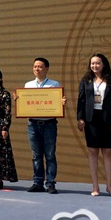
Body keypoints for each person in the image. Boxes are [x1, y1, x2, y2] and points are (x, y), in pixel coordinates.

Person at [76, 53, 111, 197]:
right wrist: (80, 118)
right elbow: (81, 100)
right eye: (92, 63)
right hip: (91, 119)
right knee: (92, 152)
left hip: (107, 119)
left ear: (104, 64)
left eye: (97, 63)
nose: (94, 66)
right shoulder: (86, 81)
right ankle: (95, 187)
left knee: (107, 152)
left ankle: (109, 186)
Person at [23, 57, 63, 194]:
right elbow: (24, 104)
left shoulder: (54, 84)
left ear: (47, 69)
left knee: (50, 155)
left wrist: (61, 103)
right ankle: (37, 182)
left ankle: (50, 183)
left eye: (40, 66)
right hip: (33, 124)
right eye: (35, 66)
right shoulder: (28, 85)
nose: (37, 69)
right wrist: (19, 102)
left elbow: (57, 103)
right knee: (36, 155)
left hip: (49, 124)